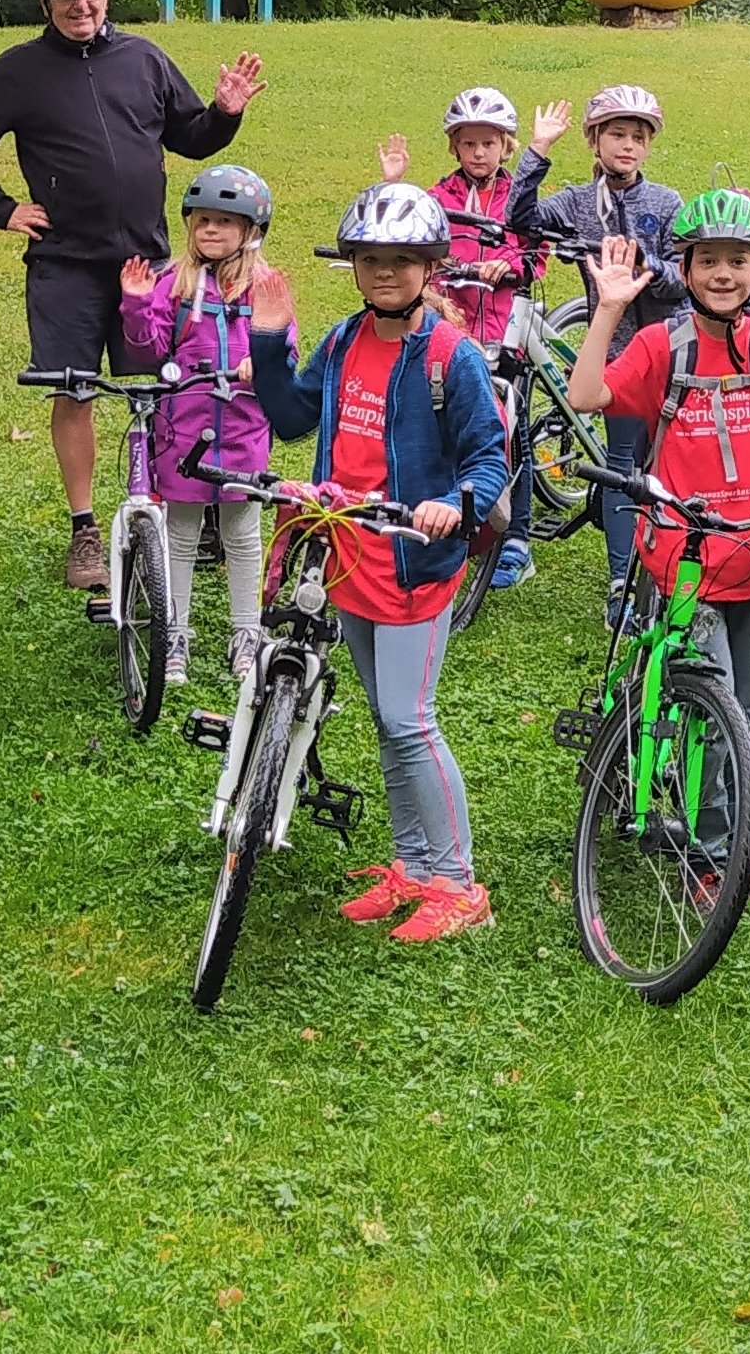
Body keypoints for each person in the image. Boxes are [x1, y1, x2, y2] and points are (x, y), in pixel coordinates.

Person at [0, 0, 266, 594]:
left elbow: (190, 136)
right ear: (45, 2)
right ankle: (85, 528)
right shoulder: (19, 70)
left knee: (173, 390)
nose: (80, 5)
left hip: (146, 262)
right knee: (74, 390)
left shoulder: (142, 58)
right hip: (65, 265)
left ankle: (181, 511)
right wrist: (4, 210)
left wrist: (225, 112)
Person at [250, 183, 511, 944]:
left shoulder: (449, 357)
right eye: (371, 260)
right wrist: (269, 340)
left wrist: (457, 502)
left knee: (411, 719)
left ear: (430, 267)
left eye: (402, 261)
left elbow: (489, 455)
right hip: (349, 552)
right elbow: (293, 418)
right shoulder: (340, 342)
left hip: (413, 562)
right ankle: (412, 865)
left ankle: (460, 884)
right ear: (354, 265)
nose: (385, 273)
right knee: (386, 721)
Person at [570, 193, 750, 917]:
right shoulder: (663, 345)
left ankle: (748, 855)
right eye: (708, 260)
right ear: (685, 269)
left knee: (749, 716)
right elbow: (587, 392)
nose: (722, 273)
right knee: (715, 720)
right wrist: (609, 311)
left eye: (737, 261)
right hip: (681, 561)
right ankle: (713, 857)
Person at [510, 83, 683, 617]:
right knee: (622, 464)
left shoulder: (666, 202)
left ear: (649, 146)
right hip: (614, 355)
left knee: (673, 462)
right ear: (594, 141)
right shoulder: (579, 203)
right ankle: (621, 584)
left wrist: (647, 269)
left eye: (637, 137)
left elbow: (683, 278)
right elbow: (523, 221)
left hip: (670, 349)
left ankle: (675, 568)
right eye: (616, 135)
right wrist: (536, 153)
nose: (627, 146)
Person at [120, 165, 288, 685]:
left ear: (250, 230)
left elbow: (286, 347)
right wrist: (136, 303)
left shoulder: (265, 286)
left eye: (224, 222)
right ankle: (174, 632)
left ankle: (247, 632)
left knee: (242, 533)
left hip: (243, 429)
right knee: (181, 535)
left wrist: (263, 361)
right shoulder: (176, 282)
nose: (210, 231)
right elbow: (148, 352)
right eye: (203, 221)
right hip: (184, 430)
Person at [379, 87, 541, 589]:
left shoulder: (517, 196)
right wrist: (393, 185)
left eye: (488, 144)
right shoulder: (438, 196)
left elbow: (537, 254)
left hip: (502, 327)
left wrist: (507, 264)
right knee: (443, 423)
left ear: (505, 146)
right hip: (448, 327)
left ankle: (517, 534)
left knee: (511, 427)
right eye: (468, 143)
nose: (478, 153)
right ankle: (452, 516)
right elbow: (403, 237)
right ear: (454, 147)